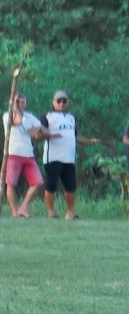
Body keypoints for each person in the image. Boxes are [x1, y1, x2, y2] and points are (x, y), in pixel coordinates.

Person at [40, 90, 100, 220]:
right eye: (59, 101)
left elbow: (76, 136)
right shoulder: (47, 116)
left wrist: (90, 141)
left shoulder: (71, 118)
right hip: (53, 157)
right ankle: (51, 212)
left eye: (64, 101)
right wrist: (51, 134)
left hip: (69, 158)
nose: (62, 103)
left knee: (71, 186)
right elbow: (39, 133)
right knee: (51, 185)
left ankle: (70, 212)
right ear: (54, 102)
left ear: (68, 103)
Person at [3, 92, 58, 218]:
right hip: (13, 154)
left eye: (23, 102)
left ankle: (23, 207)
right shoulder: (7, 115)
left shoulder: (29, 116)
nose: (21, 104)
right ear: (13, 102)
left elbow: (39, 128)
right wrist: (15, 109)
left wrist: (51, 133)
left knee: (37, 182)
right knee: (11, 184)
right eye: (18, 102)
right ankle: (14, 211)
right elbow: (17, 121)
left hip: (28, 154)